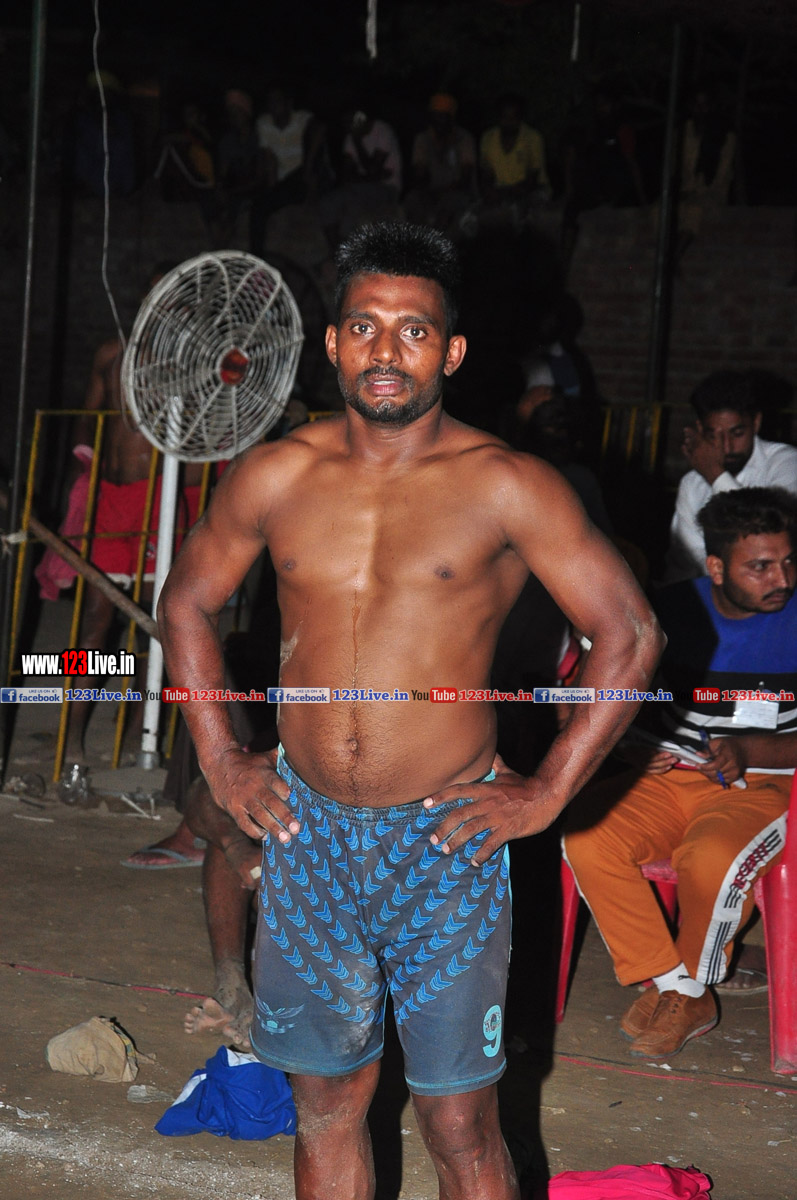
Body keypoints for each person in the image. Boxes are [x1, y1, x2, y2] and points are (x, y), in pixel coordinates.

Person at [158, 221, 662, 1200]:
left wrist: (546, 791)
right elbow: (186, 603)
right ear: (332, 342)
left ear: (452, 351)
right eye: (365, 327)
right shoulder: (277, 472)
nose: (386, 350)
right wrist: (221, 758)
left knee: (458, 1119)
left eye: (414, 331)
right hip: (306, 833)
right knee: (325, 1103)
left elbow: (630, 632)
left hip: (444, 844)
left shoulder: (506, 484)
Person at [564, 486, 797, 1059]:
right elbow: (597, 696)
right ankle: (680, 989)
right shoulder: (666, 613)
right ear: (715, 567)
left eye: (789, 561)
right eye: (761, 566)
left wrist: (750, 750)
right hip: (672, 776)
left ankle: (687, 983)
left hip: (767, 783)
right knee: (587, 835)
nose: (782, 579)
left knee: (711, 857)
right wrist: (631, 746)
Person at [35, 265, 204, 769]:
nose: (161, 307)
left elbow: (211, 443)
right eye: (154, 296)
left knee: (159, 623)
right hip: (109, 503)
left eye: (173, 299)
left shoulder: (199, 367)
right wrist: (80, 483)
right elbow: (87, 421)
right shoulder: (113, 355)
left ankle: (137, 735)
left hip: (163, 503)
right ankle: (72, 738)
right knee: (94, 621)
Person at [665, 370, 797, 582]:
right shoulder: (692, 484)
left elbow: (767, 535)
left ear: (756, 422)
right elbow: (686, 564)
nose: (727, 447)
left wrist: (715, 475)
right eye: (713, 435)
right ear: (700, 429)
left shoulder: (786, 462)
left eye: (737, 434)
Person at [405, 93, 476, 233]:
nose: (438, 121)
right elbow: (419, 174)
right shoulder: (423, 139)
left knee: (451, 206)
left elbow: (465, 178)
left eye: (442, 116)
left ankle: (443, 240)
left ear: (451, 118)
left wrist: (442, 192)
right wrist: (428, 191)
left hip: (458, 192)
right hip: (431, 192)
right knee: (411, 200)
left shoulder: (464, 138)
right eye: (435, 116)